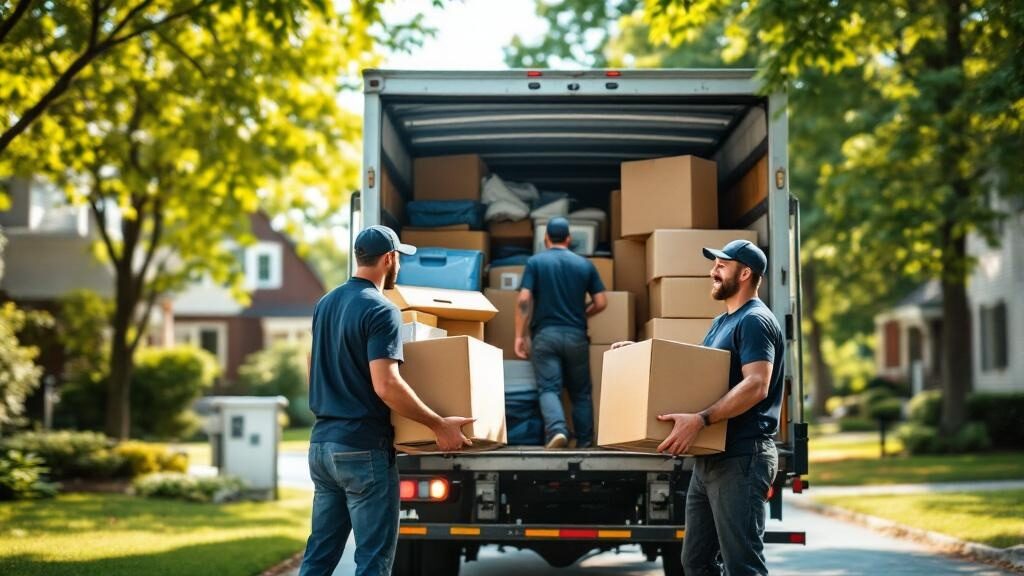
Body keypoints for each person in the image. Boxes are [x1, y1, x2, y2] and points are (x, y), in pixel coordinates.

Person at [299, 225, 474, 576]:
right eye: (400, 260)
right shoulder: (381, 310)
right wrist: (438, 425)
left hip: (322, 446)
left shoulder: (325, 304)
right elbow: (386, 385)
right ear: (389, 259)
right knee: (373, 561)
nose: (400, 268)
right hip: (362, 448)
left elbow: (310, 364)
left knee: (319, 557)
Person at [613, 239, 785, 576]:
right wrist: (638, 356)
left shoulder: (754, 321)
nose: (713, 271)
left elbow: (756, 384)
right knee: (696, 562)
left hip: (742, 456)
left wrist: (702, 419)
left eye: (722, 265)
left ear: (745, 272)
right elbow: (694, 377)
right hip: (711, 458)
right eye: (715, 265)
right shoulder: (723, 323)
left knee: (743, 565)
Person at [514, 217, 607, 449]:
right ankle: (585, 442)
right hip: (576, 336)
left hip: (545, 335)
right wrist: (582, 314)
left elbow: (524, 299)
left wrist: (519, 335)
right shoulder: (584, 264)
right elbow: (601, 301)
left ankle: (557, 430)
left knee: (549, 388)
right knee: (581, 393)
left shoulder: (535, 262)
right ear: (569, 239)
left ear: (546, 239)